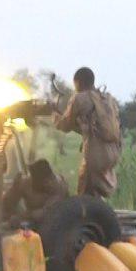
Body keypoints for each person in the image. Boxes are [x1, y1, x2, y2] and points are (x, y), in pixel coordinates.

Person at [55, 67, 122, 198]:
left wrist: (55, 116)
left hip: (95, 155)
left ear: (78, 83)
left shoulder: (80, 98)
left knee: (84, 196)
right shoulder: (108, 99)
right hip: (112, 153)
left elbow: (64, 125)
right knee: (95, 195)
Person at [2, 158, 69, 221]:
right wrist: (14, 188)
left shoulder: (59, 188)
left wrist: (21, 217)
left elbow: (43, 214)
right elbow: (7, 203)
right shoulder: (27, 183)